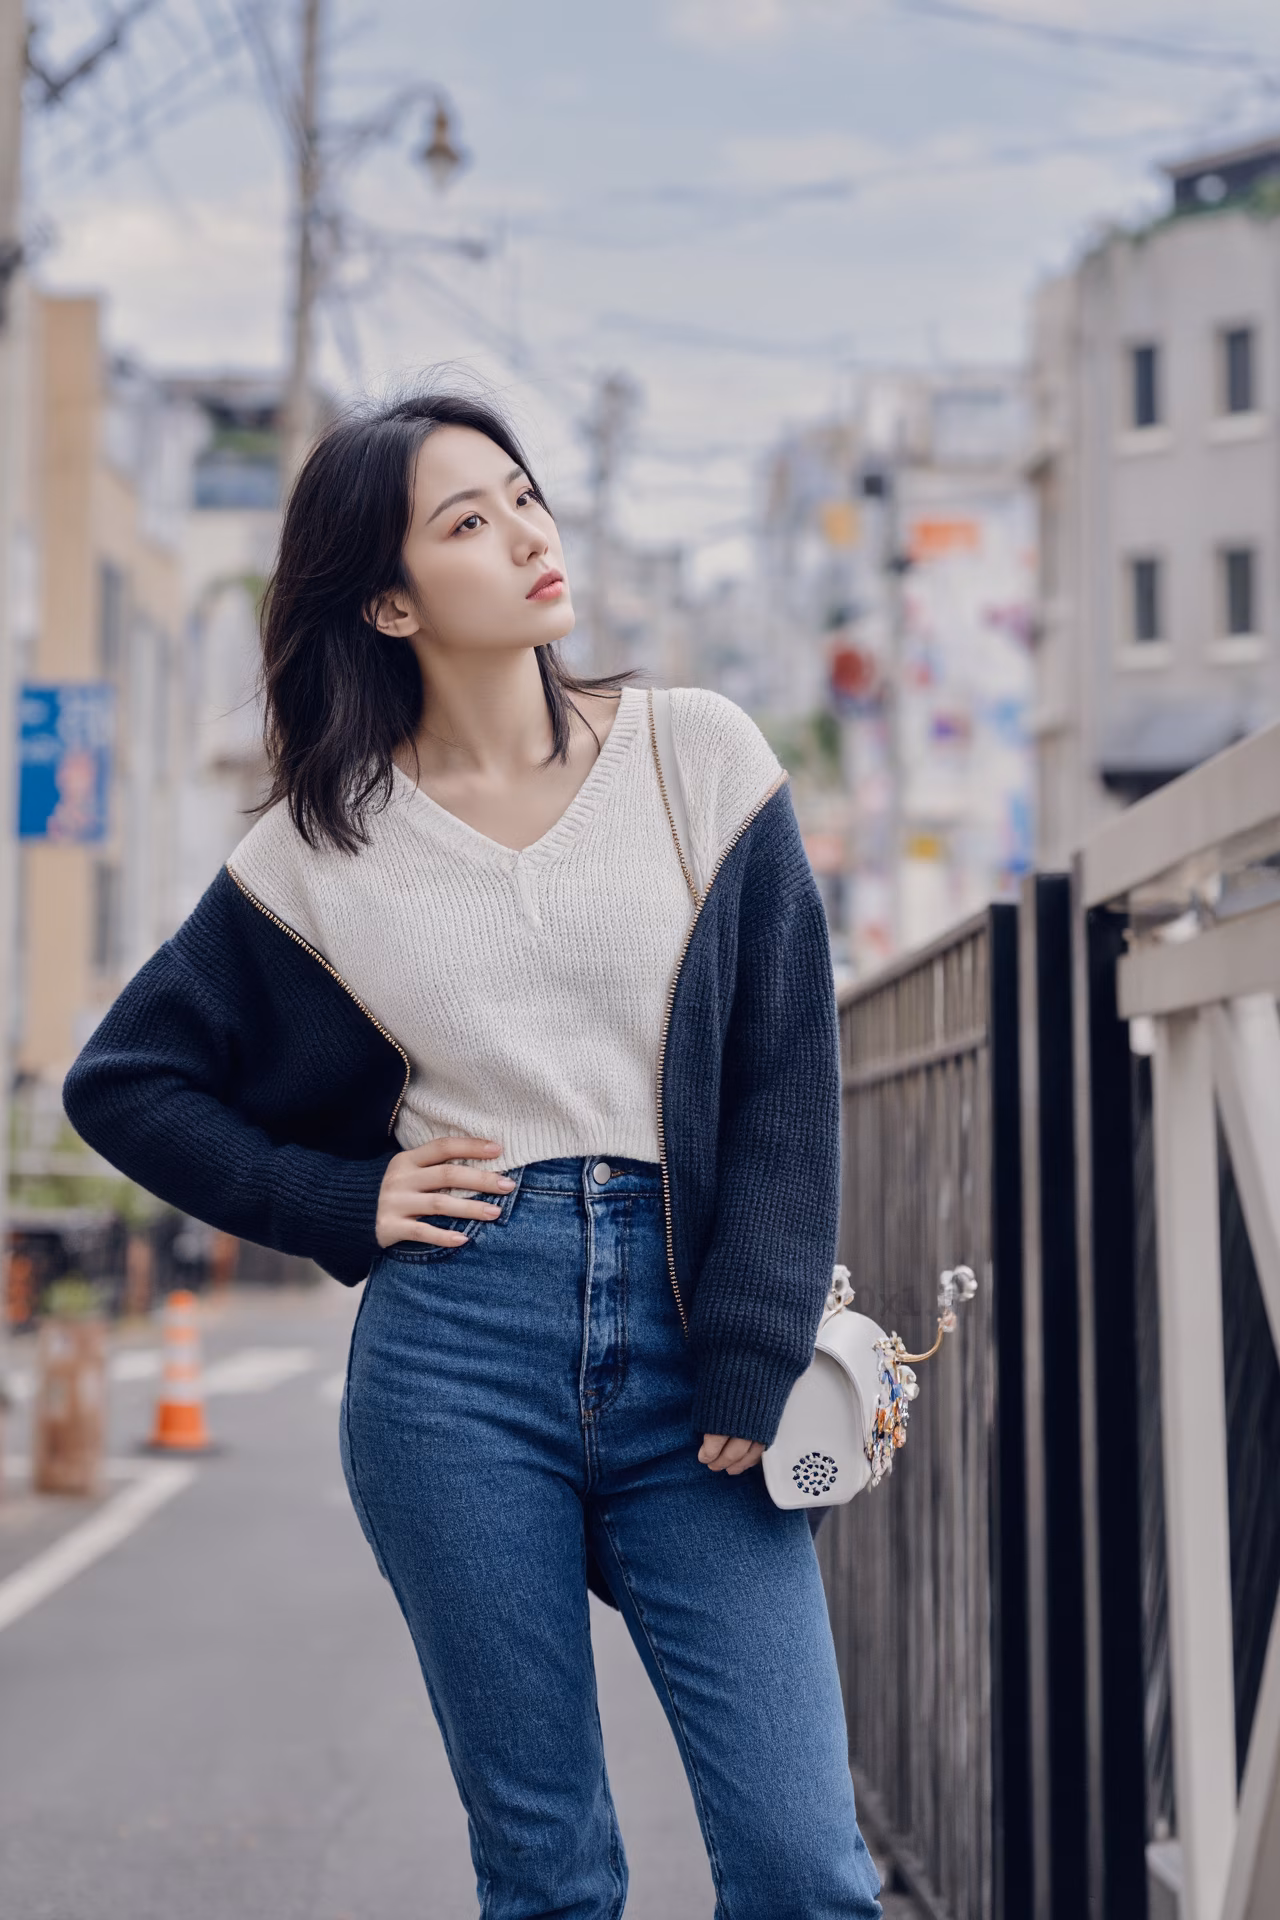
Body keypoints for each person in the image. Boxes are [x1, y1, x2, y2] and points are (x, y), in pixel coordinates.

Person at [63, 391, 883, 1920]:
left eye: (523, 498)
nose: (526, 536)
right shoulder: (323, 845)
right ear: (386, 600)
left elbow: (786, 1068)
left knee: (804, 1865)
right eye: (467, 521)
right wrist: (339, 1199)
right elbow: (127, 1082)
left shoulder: (696, 757)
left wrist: (758, 1336)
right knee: (551, 1877)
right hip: (454, 1359)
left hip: (696, 1344)